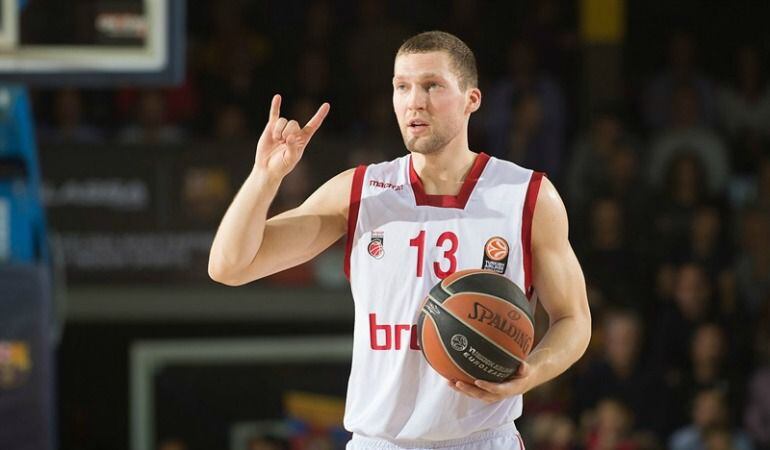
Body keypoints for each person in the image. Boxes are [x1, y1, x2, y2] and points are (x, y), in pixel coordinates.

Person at [209, 31, 591, 450]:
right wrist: (265, 177)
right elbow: (230, 266)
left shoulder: (527, 195)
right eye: (402, 87)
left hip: (481, 439)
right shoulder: (361, 191)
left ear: (472, 100)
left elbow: (574, 319)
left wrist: (531, 372)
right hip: (382, 441)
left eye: (432, 86)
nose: (415, 101)